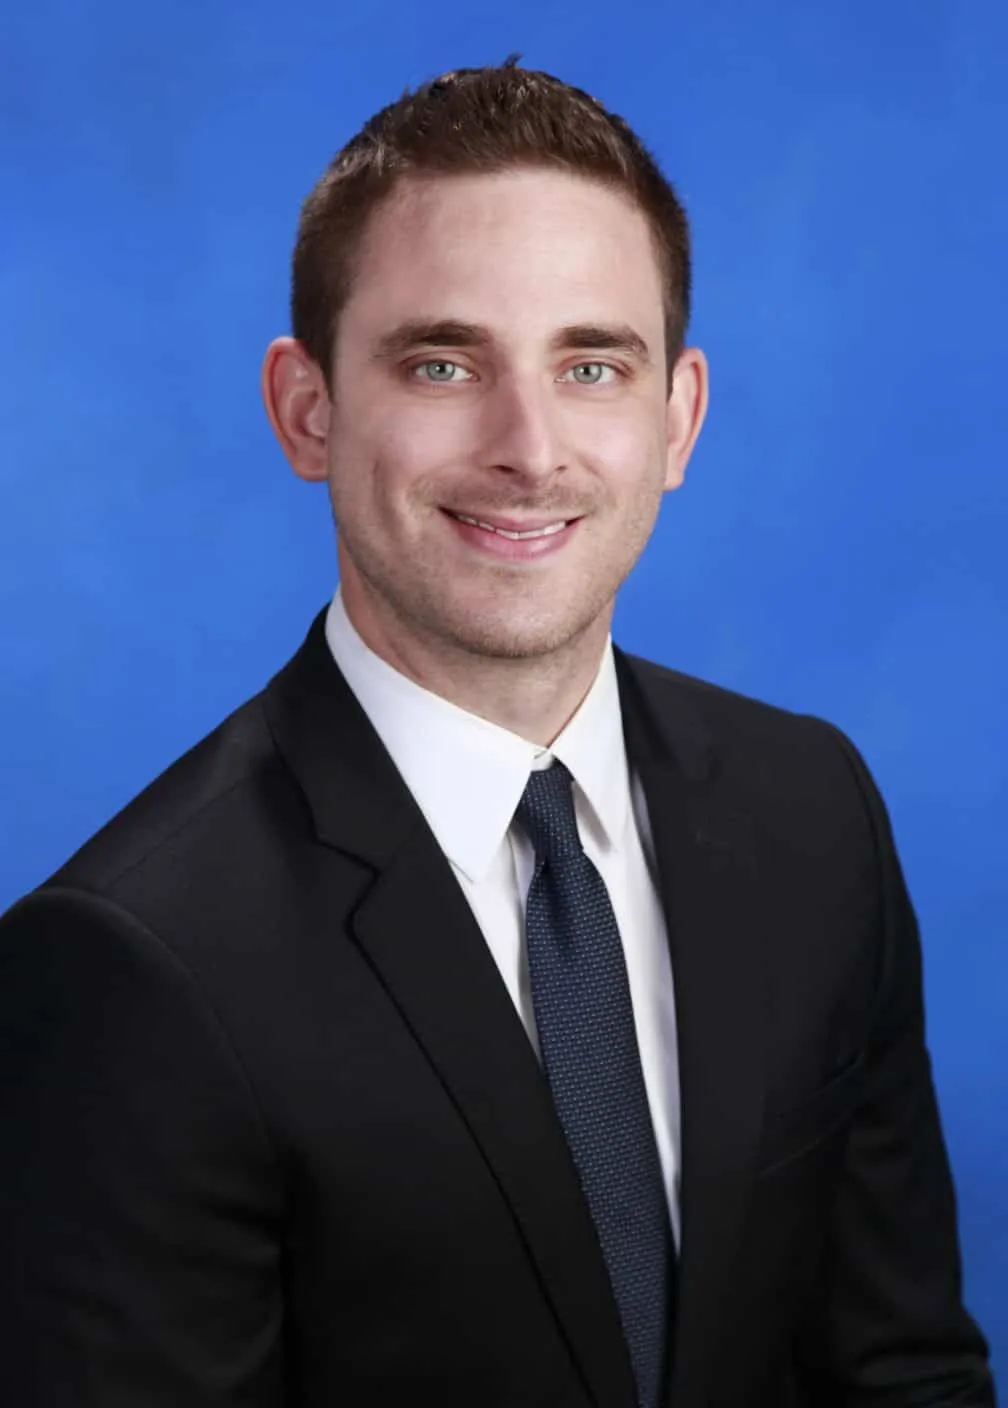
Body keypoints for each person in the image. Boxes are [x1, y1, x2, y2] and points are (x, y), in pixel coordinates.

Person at [0, 55, 995, 1408]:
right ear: (306, 409)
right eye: (443, 362)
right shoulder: (132, 965)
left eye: (591, 364)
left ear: (677, 418)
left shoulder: (813, 813)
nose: (529, 447)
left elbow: (902, 1369)